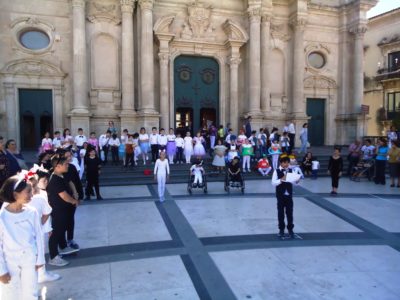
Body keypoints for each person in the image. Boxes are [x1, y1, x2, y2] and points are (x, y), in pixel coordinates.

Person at [0, 175, 45, 299]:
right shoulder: (2, 217)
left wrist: (40, 259)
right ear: (15, 195)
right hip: (10, 262)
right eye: (28, 192)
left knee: (31, 292)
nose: (31, 195)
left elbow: (39, 237)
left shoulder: (32, 212)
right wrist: (1, 270)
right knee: (10, 293)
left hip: (29, 259)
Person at [27, 167, 61, 283]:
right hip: (34, 231)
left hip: (41, 228)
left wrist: (47, 227)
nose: (45, 183)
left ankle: (42, 272)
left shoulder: (42, 194)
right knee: (36, 252)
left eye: (46, 180)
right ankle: (39, 274)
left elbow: (46, 213)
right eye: (42, 181)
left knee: (41, 250)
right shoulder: (36, 197)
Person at [47, 154, 79, 267]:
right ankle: (53, 256)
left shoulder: (60, 176)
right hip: (58, 209)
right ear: (58, 166)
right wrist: (74, 201)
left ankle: (63, 247)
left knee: (61, 229)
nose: (68, 165)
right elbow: (64, 196)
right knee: (56, 232)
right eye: (65, 164)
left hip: (63, 209)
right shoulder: (55, 179)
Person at [271, 156, 298, 238]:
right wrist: (281, 179)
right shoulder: (277, 171)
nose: (287, 164)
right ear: (281, 163)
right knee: (281, 213)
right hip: (280, 195)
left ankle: (290, 229)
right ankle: (281, 229)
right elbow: (273, 182)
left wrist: (296, 181)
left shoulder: (291, 170)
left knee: (290, 213)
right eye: (285, 163)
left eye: (288, 163)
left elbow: (293, 182)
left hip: (289, 195)